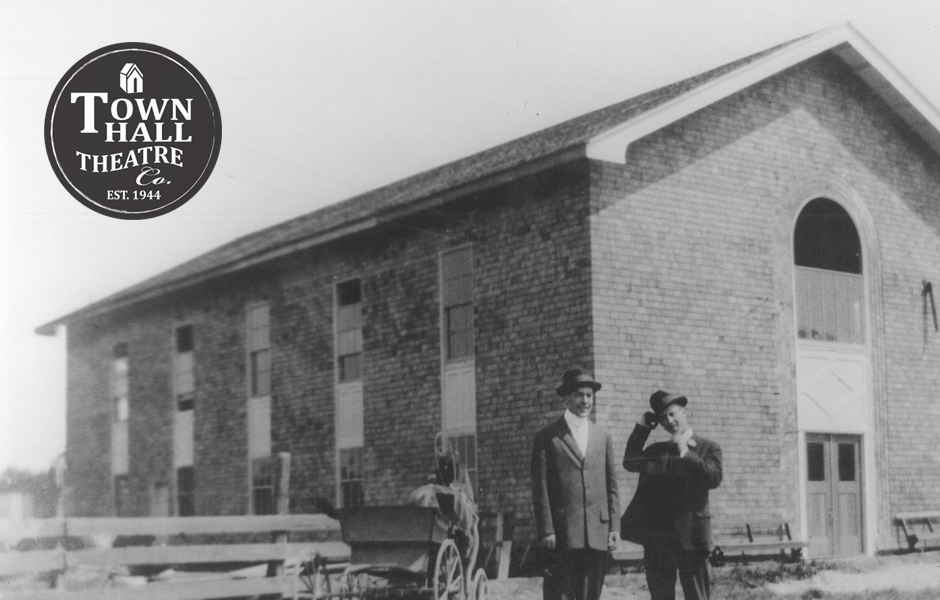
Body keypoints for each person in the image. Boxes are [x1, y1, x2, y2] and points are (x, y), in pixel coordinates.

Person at [620, 390, 722, 600]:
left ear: (684, 412)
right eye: (663, 418)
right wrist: (642, 428)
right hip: (659, 539)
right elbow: (630, 461)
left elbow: (713, 478)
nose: (669, 421)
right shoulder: (657, 450)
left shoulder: (707, 447)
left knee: (697, 596)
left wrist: (686, 452)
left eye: (673, 414)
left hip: (692, 538)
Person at [531, 368, 620, 600]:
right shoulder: (547, 437)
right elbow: (540, 489)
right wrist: (547, 529)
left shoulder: (603, 436)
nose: (585, 401)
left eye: (589, 395)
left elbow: (611, 485)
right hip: (563, 534)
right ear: (566, 398)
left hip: (597, 533)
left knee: (591, 595)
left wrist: (614, 526)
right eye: (580, 395)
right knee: (559, 594)